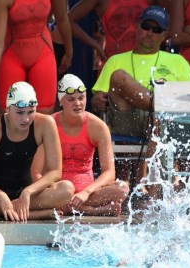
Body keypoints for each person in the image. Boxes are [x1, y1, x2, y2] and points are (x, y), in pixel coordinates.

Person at [91, 6, 190, 189]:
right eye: (146, 26)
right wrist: (96, 100)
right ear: (137, 27)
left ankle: (148, 187)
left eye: (156, 30)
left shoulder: (178, 61)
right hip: (127, 119)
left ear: (164, 35)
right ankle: (158, 104)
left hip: (162, 122)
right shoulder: (115, 60)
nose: (150, 33)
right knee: (119, 76)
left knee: (159, 115)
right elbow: (98, 97)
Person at [0, 82, 74, 221]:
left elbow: (55, 172)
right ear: (8, 109)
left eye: (30, 112)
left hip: (26, 196)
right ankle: (27, 213)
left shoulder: (45, 124)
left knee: (66, 189)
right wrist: (0, 196)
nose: (26, 119)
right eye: (20, 113)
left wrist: (28, 192)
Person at [34, 74, 130, 216]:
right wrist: (55, 192)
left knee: (122, 188)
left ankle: (76, 208)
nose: (78, 103)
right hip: (57, 192)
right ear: (61, 101)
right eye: (71, 99)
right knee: (39, 193)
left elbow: (109, 172)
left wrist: (86, 192)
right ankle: (88, 211)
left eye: (81, 98)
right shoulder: (49, 125)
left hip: (88, 195)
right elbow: (36, 172)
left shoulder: (97, 127)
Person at [0, 0, 73, 115]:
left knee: (44, 112)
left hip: (42, 51)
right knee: (9, 112)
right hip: (12, 53)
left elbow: (62, 19)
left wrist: (69, 52)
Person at [67, 0, 169, 70]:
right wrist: (96, 45)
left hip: (145, 63)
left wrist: (159, 37)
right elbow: (69, 20)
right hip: (114, 64)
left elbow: (171, 13)